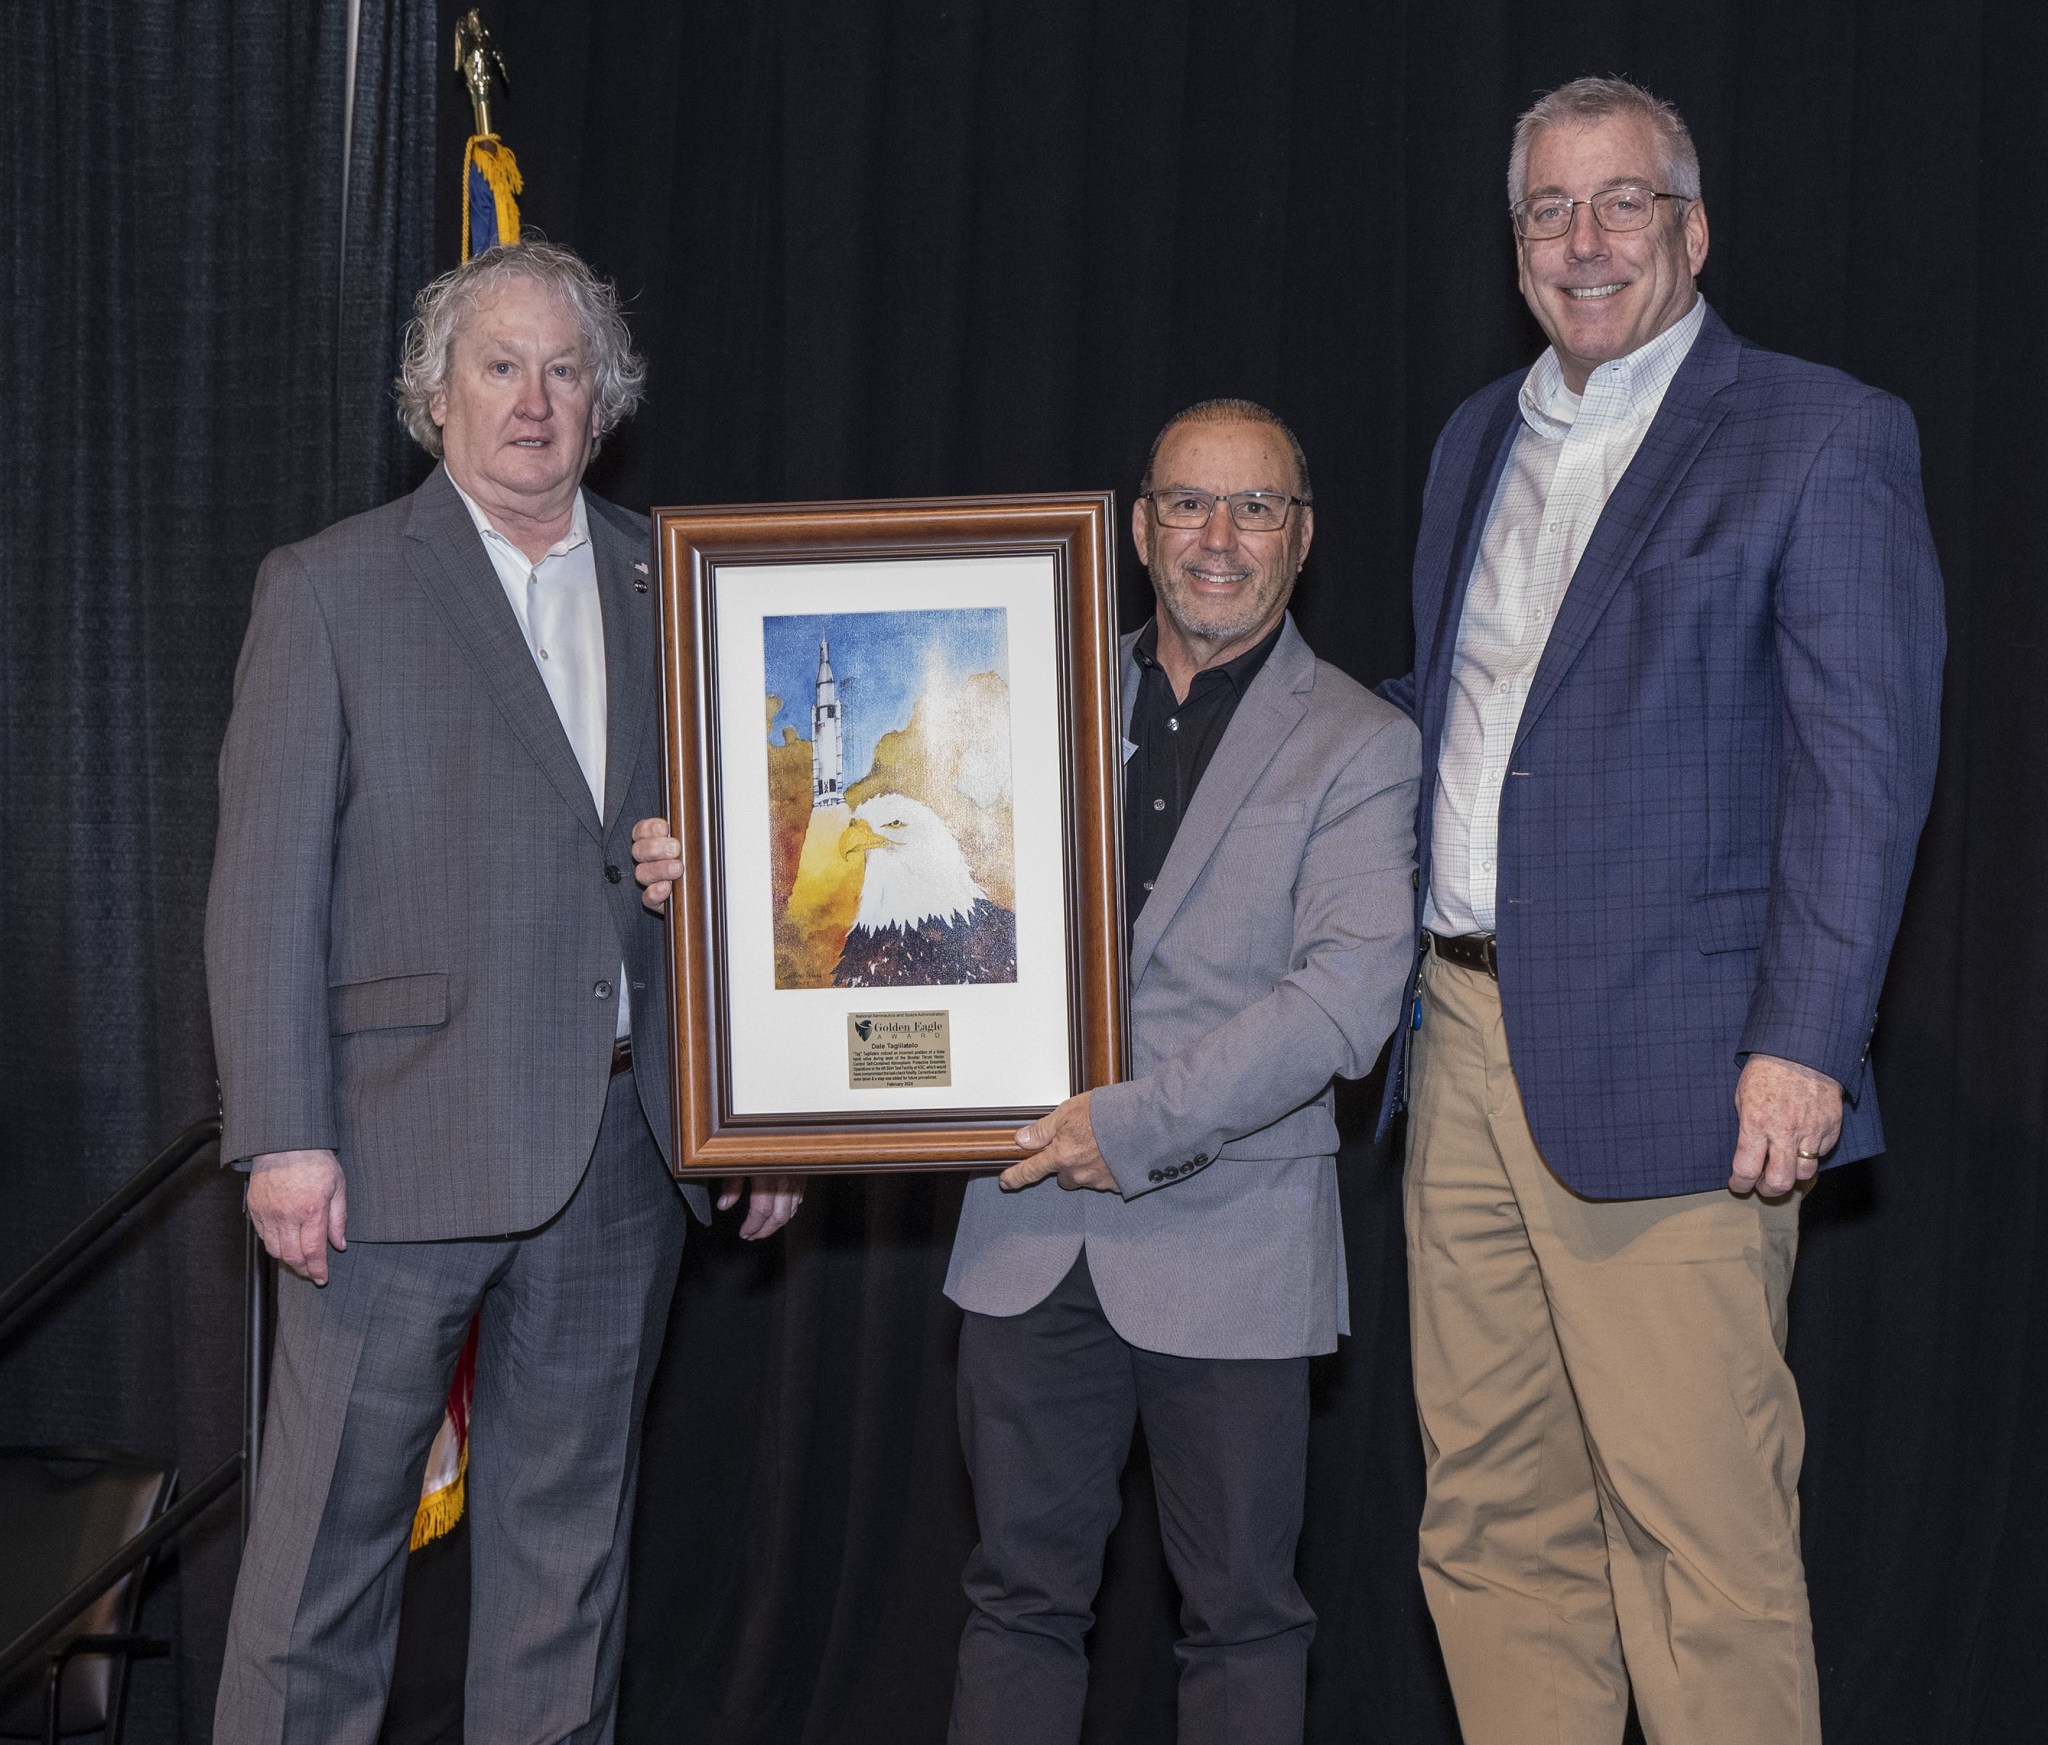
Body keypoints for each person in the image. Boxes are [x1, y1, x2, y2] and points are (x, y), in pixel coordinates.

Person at [646, 400, 1416, 1741]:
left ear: (1303, 536)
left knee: (1242, 1614)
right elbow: (897, 939)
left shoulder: (1363, 743)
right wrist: (707, 876)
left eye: (1254, 508)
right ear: (1137, 526)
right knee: (1016, 1601)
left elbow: (1341, 1006)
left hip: (1230, 1240)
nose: (1217, 538)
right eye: (1186, 503)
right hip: (1025, 1235)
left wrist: (1136, 1124)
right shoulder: (1016, 704)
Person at [1379, 77, 1945, 1743]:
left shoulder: (1823, 434)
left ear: (1693, 230)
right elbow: (1453, 725)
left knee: (1699, 1530)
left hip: (1691, 1068)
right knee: (1489, 1520)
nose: (1584, 238)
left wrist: (1805, 1044)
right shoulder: (1473, 438)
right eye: (1548, 209)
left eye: (1623, 201)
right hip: (1462, 1046)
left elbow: (1865, 767)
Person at [206, 239, 798, 1745]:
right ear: (434, 396)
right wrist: (282, 1129)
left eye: (564, 369)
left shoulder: (685, 584)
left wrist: (760, 1106)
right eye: (499, 365)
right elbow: (264, 880)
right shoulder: (329, 589)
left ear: (604, 403)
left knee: (566, 1581)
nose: (534, 399)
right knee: (316, 1587)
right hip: (389, 1161)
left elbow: (764, 868)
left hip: (621, 1159)